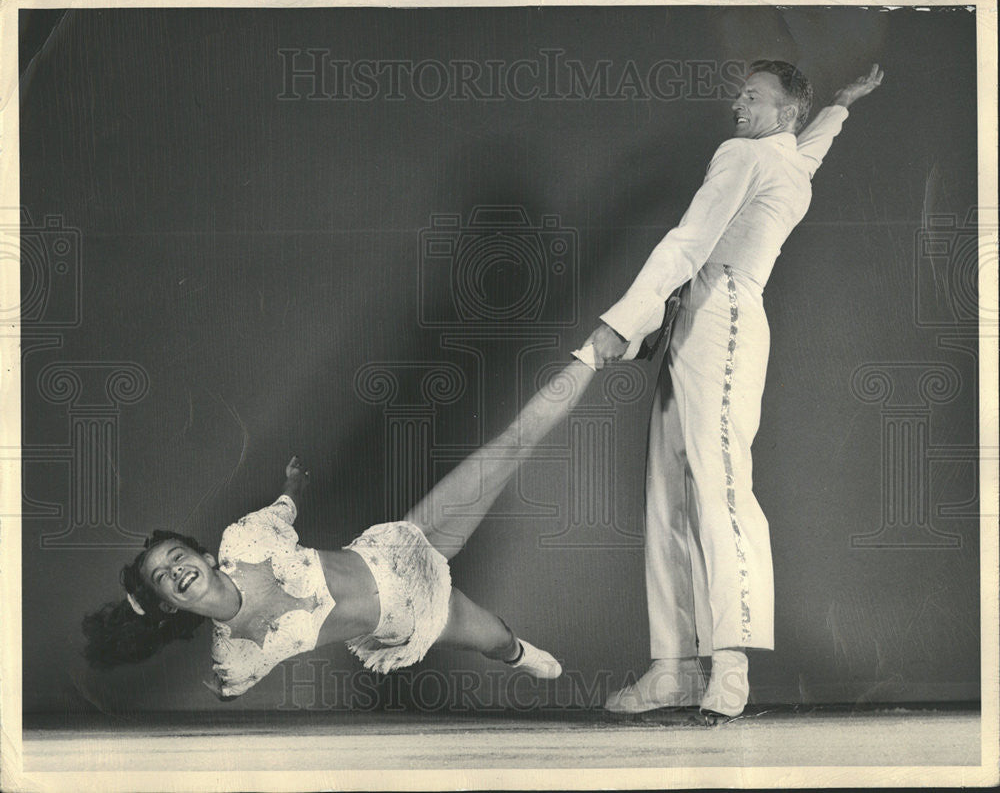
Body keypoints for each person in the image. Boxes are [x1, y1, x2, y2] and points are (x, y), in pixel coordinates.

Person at [585, 62, 885, 718]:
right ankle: (671, 671)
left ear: (782, 113)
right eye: (738, 93)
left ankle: (730, 671)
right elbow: (812, 150)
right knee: (667, 497)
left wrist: (619, 323)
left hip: (720, 324)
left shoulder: (744, 156)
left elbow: (687, 243)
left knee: (719, 489)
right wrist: (840, 107)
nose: (736, 103)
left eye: (753, 95)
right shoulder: (790, 165)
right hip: (694, 324)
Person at [83, 359, 597, 699]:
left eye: (175, 556)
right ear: (168, 604)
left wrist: (292, 482)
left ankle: (598, 350)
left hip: (403, 546)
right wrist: (221, 689)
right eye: (161, 579)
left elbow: (286, 505)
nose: (175, 570)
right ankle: (518, 653)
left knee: (507, 448)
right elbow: (229, 686)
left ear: (205, 555)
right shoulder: (233, 657)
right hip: (413, 619)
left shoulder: (245, 538)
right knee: (499, 640)